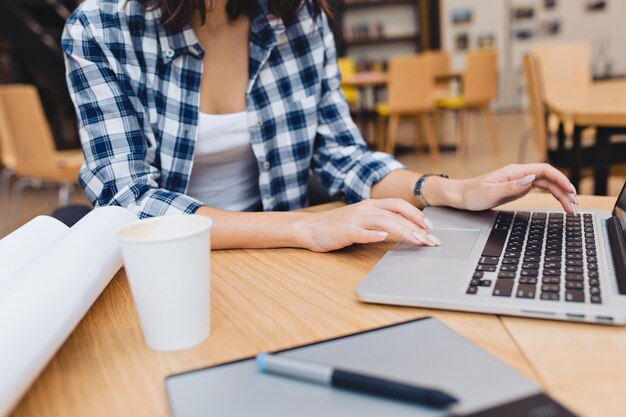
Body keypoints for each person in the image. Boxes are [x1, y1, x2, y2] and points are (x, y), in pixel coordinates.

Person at [62, 0, 578, 252]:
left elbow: (339, 154)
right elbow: (127, 199)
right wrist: (303, 226)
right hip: (170, 265)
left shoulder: (297, 16)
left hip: (278, 256)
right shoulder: (102, 27)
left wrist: (447, 189)